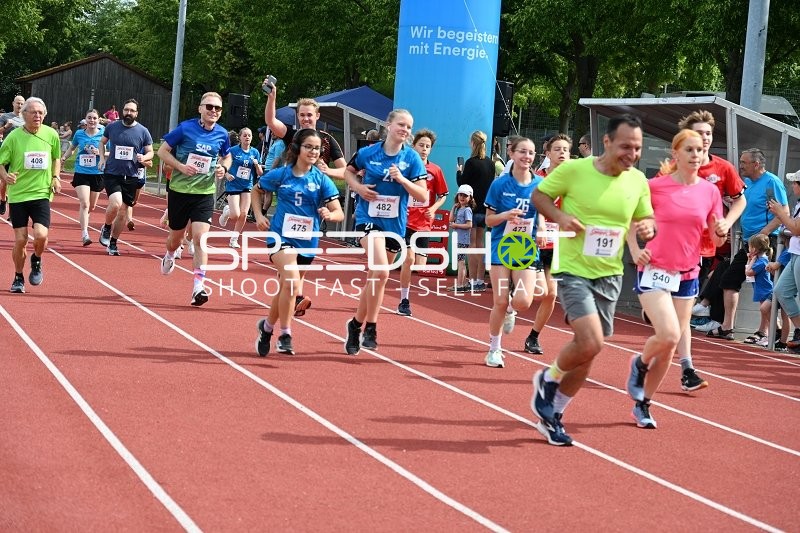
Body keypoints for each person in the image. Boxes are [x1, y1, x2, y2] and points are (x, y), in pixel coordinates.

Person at [530, 114, 656, 446]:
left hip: (610, 273)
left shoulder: (638, 181)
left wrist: (647, 228)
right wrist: (559, 216)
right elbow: (539, 196)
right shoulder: (574, 170)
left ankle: (553, 414)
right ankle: (549, 377)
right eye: (626, 146)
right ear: (607, 142)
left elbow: (646, 219)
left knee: (589, 352)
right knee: (591, 341)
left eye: (637, 148)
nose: (631, 153)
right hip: (573, 268)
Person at [624, 129, 725, 429]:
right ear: (676, 153)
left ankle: (643, 404)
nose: (696, 156)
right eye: (690, 150)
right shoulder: (655, 187)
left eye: (701, 151)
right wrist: (634, 249)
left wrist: (720, 230)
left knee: (669, 346)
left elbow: (716, 241)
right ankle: (640, 364)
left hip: (687, 274)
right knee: (669, 334)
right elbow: (632, 220)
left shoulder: (710, 192)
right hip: (654, 269)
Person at [667, 110, 747, 390]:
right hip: (668, 249)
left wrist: (726, 221)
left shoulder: (722, 169)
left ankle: (687, 369)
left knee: (682, 313)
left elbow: (740, 200)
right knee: (669, 317)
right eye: (699, 134)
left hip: (701, 250)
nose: (705, 139)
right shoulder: (675, 166)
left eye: (709, 134)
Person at [251, 128, 344, 356]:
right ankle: (285, 334)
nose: (313, 152)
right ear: (297, 149)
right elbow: (256, 190)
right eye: (309, 147)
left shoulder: (321, 179)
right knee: (292, 283)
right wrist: (259, 214)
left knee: (287, 288)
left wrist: (330, 215)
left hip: (307, 241)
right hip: (280, 237)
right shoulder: (281, 175)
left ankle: (267, 327)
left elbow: (339, 212)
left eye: (317, 148)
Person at [343, 109, 428, 355]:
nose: (405, 129)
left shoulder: (412, 159)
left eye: (409, 127)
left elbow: (422, 195)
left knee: (378, 277)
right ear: (389, 125)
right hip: (368, 219)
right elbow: (348, 172)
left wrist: (402, 180)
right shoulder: (368, 152)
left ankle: (356, 324)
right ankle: (371, 325)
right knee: (379, 270)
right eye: (401, 124)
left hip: (395, 224)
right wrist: (359, 188)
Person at [700, 148, 788, 340]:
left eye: (744, 162)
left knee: (763, 287)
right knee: (729, 280)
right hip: (748, 243)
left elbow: (784, 213)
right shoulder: (746, 183)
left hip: (766, 242)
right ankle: (727, 327)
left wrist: (763, 234)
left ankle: (764, 332)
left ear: (756, 164)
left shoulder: (771, 182)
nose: (740, 165)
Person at [158, 92, 231, 306]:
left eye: (217, 108)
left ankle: (198, 287)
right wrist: (180, 166)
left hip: (204, 193)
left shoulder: (222, 134)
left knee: (200, 239)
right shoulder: (185, 128)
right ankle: (170, 255)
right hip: (180, 191)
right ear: (200, 108)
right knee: (176, 240)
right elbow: (162, 151)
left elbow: (227, 155)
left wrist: (223, 167)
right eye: (209, 107)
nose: (213, 111)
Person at [483, 137, 547, 368]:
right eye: (522, 152)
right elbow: (489, 221)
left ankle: (512, 309)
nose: (527, 157)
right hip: (502, 246)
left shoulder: (540, 184)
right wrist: (505, 216)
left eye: (531, 153)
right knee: (499, 300)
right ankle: (494, 349)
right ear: (511, 154)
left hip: (526, 248)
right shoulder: (499, 184)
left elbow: (540, 211)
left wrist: (540, 229)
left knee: (523, 300)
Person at [0, 97, 61, 293]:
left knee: (41, 235)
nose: (37, 116)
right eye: (33, 112)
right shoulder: (13, 137)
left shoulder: (51, 134)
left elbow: (56, 157)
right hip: (18, 195)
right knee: (20, 240)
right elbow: (1, 162)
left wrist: (56, 177)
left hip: (41, 193)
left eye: (41, 113)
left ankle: (36, 259)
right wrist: (5, 176)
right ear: (24, 114)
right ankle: (18, 277)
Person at [524, 133, 571, 355]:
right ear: (548, 154)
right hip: (533, 240)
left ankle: (533, 337)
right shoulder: (537, 179)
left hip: (556, 245)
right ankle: (512, 305)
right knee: (534, 293)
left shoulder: (573, 183)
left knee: (550, 294)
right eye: (558, 149)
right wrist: (541, 225)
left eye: (566, 150)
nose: (563, 153)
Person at [396, 129, 448, 317]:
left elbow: (443, 195)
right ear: (414, 146)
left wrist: (433, 209)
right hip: (406, 219)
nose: (424, 149)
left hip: (424, 223)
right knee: (409, 259)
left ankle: (401, 279)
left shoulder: (435, 170)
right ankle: (404, 300)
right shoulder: (405, 167)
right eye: (421, 145)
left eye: (428, 146)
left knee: (420, 265)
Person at [97, 99, 154, 256]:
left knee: (123, 212)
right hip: (112, 173)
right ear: (122, 111)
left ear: (136, 113)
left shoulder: (143, 131)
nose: (128, 113)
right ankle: (107, 227)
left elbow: (151, 152)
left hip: (131, 175)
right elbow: (102, 143)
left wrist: (145, 157)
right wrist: (102, 158)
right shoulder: (112, 127)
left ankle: (114, 242)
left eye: (132, 110)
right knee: (115, 204)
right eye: (126, 110)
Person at [263, 77, 347, 179]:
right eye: (302, 115)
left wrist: (328, 171)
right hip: (293, 188)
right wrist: (271, 98)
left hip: (317, 191)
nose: (306, 118)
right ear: (297, 116)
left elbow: (345, 171)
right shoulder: (292, 135)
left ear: (317, 116)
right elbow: (270, 121)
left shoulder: (327, 139)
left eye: (309, 115)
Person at [456, 130, 495, 291]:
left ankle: (472, 279)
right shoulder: (490, 163)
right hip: (485, 209)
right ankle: (479, 279)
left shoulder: (471, 163)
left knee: (472, 243)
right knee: (480, 243)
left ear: (472, 143)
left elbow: (463, 185)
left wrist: (459, 170)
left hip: (472, 209)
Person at [60, 109, 105, 245]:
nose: (92, 120)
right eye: (89, 118)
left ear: (98, 120)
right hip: (81, 172)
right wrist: (64, 157)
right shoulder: (79, 134)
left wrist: (100, 153)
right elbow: (72, 148)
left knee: (91, 207)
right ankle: (85, 234)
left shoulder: (103, 135)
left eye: (94, 118)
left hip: (97, 173)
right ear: (85, 120)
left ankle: (95, 224)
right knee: (84, 203)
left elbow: (110, 152)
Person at [219, 127, 263, 248]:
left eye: (249, 135)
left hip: (247, 185)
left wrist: (257, 165)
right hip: (233, 184)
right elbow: (220, 161)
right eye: (245, 135)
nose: (247, 137)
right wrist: (226, 174)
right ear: (240, 137)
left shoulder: (255, 152)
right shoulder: (233, 150)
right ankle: (227, 212)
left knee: (244, 214)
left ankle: (234, 239)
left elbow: (259, 173)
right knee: (235, 215)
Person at [743, 234, 774, 347]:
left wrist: (752, 260)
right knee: (765, 313)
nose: (749, 249)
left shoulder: (761, 261)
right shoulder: (759, 260)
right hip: (761, 290)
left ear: (755, 249)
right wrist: (750, 259)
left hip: (765, 290)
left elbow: (748, 272)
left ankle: (772, 335)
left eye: (750, 247)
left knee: (769, 314)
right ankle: (766, 334)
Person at [0, 95, 26, 215]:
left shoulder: (26, 117)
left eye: (22, 103)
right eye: (18, 103)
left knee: (18, 180)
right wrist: (6, 127)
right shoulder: (5, 116)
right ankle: (3, 200)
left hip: (20, 153)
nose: (19, 105)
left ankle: (13, 210)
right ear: (13, 103)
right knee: (5, 180)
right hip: (6, 152)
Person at [450, 184, 474, 290]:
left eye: (465, 195)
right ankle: (463, 283)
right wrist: (453, 207)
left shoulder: (467, 210)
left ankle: (460, 285)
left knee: (461, 262)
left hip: (463, 240)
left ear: (470, 198)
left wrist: (456, 225)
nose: (462, 197)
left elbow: (469, 225)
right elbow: (451, 219)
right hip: (458, 239)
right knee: (461, 262)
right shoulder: (460, 209)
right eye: (460, 195)